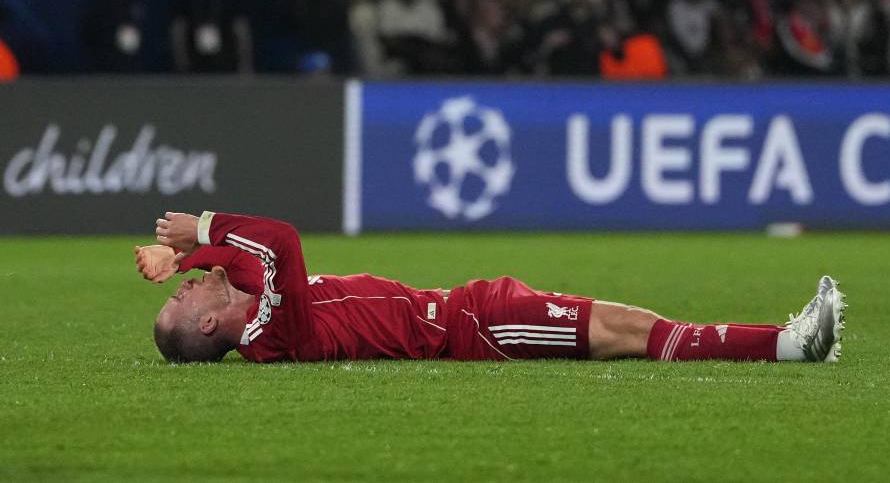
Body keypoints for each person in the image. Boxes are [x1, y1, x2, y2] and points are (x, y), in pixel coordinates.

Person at [136, 211, 846, 364]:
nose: (190, 289)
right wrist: (201, 229)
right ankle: (788, 344)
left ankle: (784, 342)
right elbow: (279, 241)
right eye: (183, 300)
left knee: (632, 326)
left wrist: (188, 261)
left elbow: (243, 267)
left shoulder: (255, 308)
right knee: (636, 331)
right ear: (205, 329)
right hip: (474, 325)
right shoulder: (273, 332)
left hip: (470, 307)